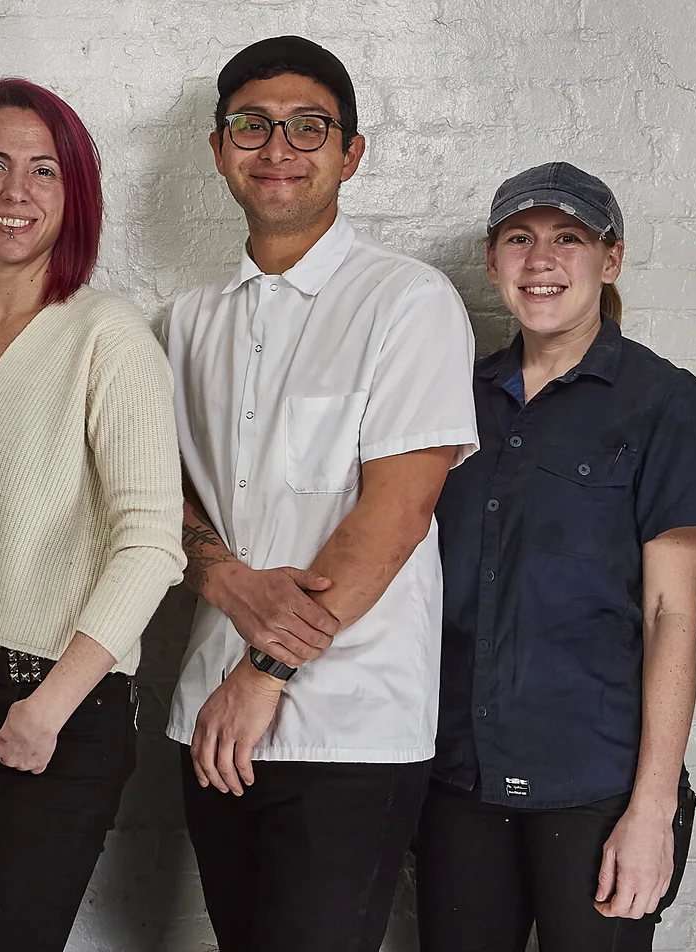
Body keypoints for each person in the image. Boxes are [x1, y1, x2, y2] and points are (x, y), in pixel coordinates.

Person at [165, 36, 480, 952]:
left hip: (351, 730)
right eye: (251, 126)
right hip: (210, 721)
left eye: (309, 127)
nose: (279, 148)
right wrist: (225, 582)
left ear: (351, 153)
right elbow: (157, 497)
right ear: (218, 149)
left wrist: (263, 672)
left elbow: (397, 514)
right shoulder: (186, 322)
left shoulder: (408, 302)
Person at [0, 77, 185, 951]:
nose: (16, 190)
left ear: (73, 192)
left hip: (56, 701)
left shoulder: (107, 337)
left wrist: (48, 707)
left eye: (44, 169)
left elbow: (151, 544)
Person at [415, 163, 696, 952]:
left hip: (597, 784)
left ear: (610, 260)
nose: (541, 260)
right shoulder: (452, 400)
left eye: (569, 239)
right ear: (493, 262)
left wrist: (651, 809)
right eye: (520, 238)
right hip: (459, 776)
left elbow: (673, 615)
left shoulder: (665, 402)